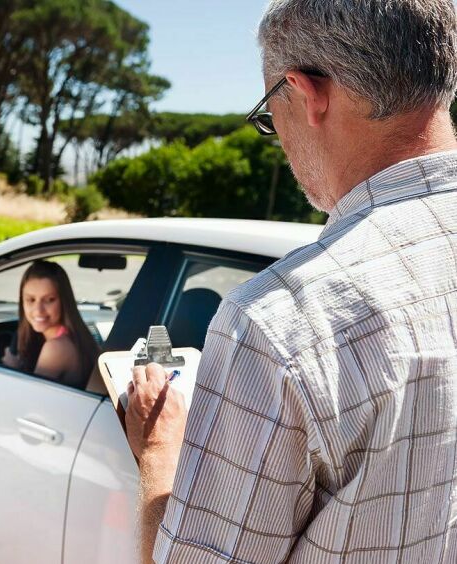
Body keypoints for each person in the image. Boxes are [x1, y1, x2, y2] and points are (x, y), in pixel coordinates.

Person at [125, 1, 457, 562]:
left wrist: (160, 449)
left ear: (307, 94)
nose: (275, 138)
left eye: (267, 115)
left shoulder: (282, 320)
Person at [2, 260, 100, 388]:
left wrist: (11, 368)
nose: (38, 310)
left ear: (63, 301)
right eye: (30, 300)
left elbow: (29, 398)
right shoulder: (73, 336)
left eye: (49, 300)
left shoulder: (55, 348)